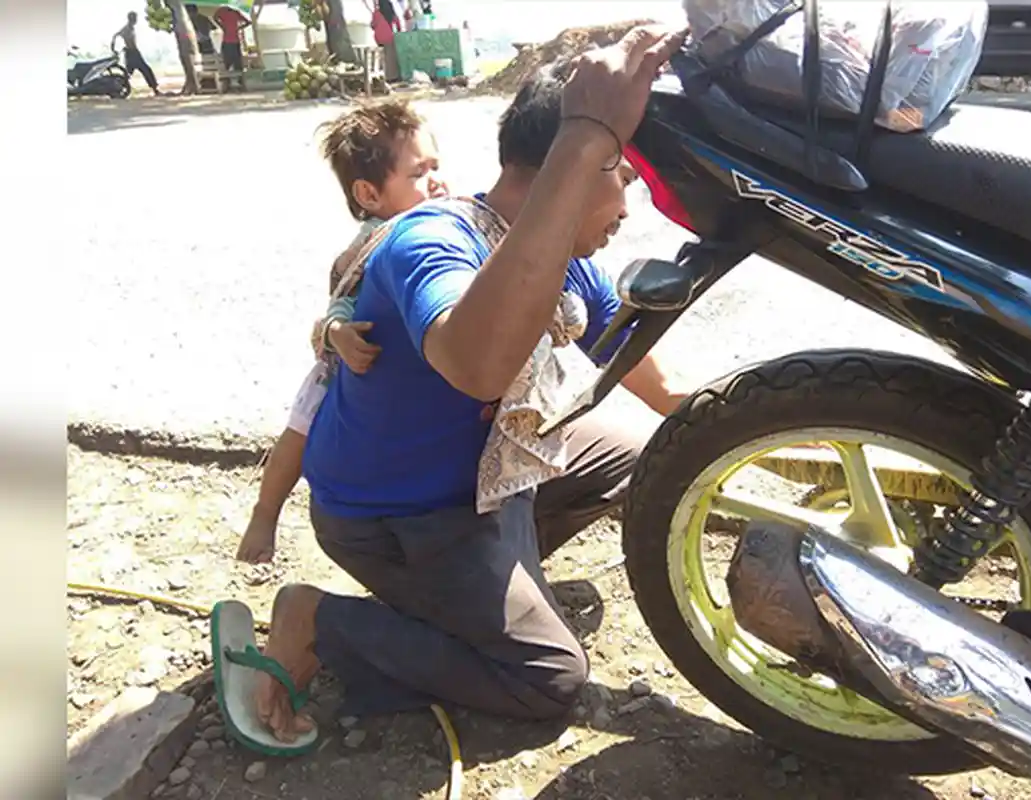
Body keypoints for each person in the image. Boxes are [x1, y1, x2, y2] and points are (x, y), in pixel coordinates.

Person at [248, 26, 689, 743]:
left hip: (484, 474)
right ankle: (320, 621)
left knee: (647, 450)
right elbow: (473, 361)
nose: (628, 207)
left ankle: (479, 591)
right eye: (622, 176)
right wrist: (585, 136)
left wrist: (763, 445)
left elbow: (654, 376)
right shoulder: (432, 239)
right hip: (399, 516)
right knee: (549, 681)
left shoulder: (563, 253)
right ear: (575, 165)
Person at [235, 97, 448, 564]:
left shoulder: (443, 229)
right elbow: (337, 310)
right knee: (300, 427)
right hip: (341, 369)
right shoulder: (369, 246)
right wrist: (338, 335)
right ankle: (266, 512)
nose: (437, 181)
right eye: (418, 174)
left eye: (436, 166)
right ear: (369, 196)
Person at [112, 11, 161, 95]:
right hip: (132, 53)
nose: (136, 20)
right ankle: (116, 88)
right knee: (144, 70)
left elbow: (116, 36)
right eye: (135, 18)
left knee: (131, 73)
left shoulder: (131, 28)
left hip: (133, 52)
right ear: (131, 19)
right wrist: (113, 48)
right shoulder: (126, 29)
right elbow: (115, 36)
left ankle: (155, 89)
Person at [214, 4, 250, 90]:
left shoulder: (222, 10)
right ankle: (239, 83)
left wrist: (222, 26)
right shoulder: (235, 12)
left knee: (227, 63)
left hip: (227, 41)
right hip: (235, 41)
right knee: (236, 63)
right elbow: (248, 22)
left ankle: (228, 83)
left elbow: (215, 18)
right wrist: (238, 28)